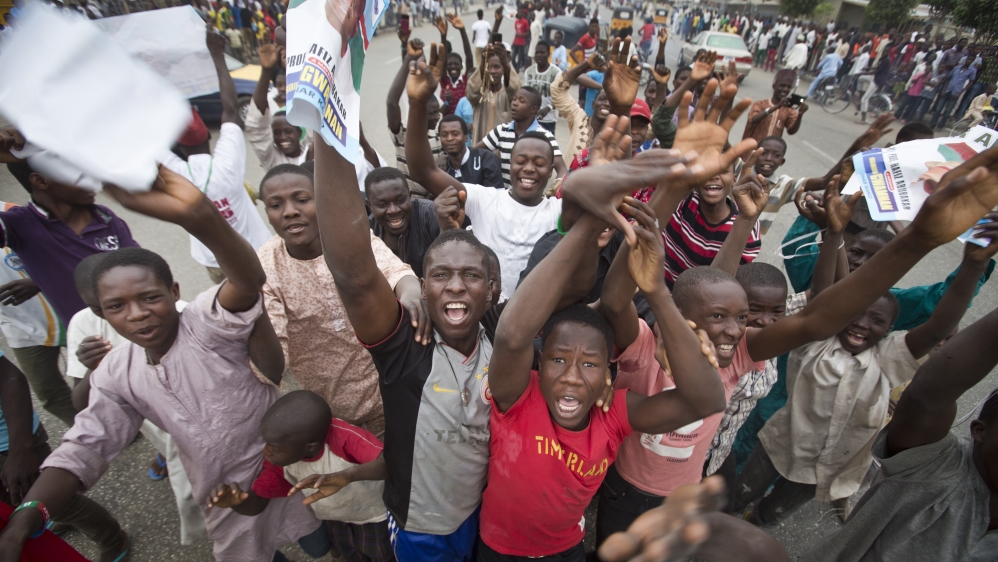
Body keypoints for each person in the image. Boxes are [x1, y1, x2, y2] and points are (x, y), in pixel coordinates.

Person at [0, 166, 324, 561]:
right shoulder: (118, 372)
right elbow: (86, 443)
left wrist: (201, 218)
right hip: (223, 489)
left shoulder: (205, 323)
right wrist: (29, 513)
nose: (136, 314)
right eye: (117, 307)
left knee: (320, 535)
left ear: (174, 291)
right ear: (102, 312)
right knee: (254, 552)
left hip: (286, 464)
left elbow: (245, 280)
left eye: (149, 298)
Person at [478, 196, 726, 560]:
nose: (573, 377)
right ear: (539, 361)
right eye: (559, 359)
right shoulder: (517, 398)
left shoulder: (613, 415)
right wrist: (589, 222)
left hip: (566, 550)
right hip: (499, 549)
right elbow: (512, 335)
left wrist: (657, 293)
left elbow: (706, 402)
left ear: (608, 369)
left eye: (590, 364)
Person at [734, 186, 995, 527]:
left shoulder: (887, 358)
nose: (860, 323)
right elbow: (827, 296)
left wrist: (974, 264)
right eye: (853, 313)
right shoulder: (817, 340)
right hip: (779, 446)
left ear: (890, 329)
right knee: (738, 494)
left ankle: (750, 532)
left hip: (826, 469)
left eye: (877, 320)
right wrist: (833, 235)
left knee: (771, 515)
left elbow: (936, 327)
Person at [313, 123, 498, 562]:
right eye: (440, 275)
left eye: (471, 275)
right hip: (421, 528)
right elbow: (356, 275)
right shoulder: (406, 345)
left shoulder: (499, 334)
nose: (455, 286)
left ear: (492, 290)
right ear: (421, 284)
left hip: (483, 514)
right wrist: (326, 126)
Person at [801, 299, 998, 560]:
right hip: (825, 444)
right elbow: (926, 395)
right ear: (980, 430)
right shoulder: (935, 466)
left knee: (852, 476)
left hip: (858, 451)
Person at [257, 163, 423, 443]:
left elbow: (398, 273)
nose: (289, 211)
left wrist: (411, 295)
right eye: (276, 205)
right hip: (336, 413)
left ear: (320, 201)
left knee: (409, 458)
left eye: (301, 199)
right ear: (267, 213)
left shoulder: (348, 238)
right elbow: (273, 364)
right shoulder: (264, 269)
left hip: (390, 389)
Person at [65, 253, 207, 546]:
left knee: (199, 480)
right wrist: (95, 370)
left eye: (144, 299)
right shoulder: (83, 324)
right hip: (151, 423)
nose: (133, 315)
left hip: (193, 421)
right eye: (106, 308)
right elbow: (80, 403)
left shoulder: (178, 313)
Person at [1, 139, 140, 428]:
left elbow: (143, 267)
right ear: (40, 180)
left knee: (149, 389)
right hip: (92, 337)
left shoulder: (106, 217)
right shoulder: (19, 224)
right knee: (108, 396)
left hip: (136, 326)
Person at [409, 48, 562, 295]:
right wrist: (417, 103)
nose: (529, 169)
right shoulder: (485, 199)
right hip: (480, 317)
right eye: (520, 160)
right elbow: (423, 171)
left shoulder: (558, 211)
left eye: (540, 163)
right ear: (509, 163)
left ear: (551, 170)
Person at [207, 391, 392, 562]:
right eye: (267, 443)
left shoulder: (343, 437)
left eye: (276, 448)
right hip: (338, 521)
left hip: (376, 519)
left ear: (310, 446)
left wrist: (349, 475)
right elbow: (257, 503)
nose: (266, 451)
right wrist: (237, 502)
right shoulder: (281, 462)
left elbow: (389, 463)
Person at [161, 31, 272, 285]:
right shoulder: (226, 162)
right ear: (208, 138)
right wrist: (217, 55)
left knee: (241, 316)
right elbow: (231, 108)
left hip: (215, 263)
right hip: (258, 252)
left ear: (177, 145)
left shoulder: (173, 172)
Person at [0, 352, 121, 561]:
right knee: (16, 509)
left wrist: (20, 449)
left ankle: (112, 538)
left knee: (52, 502)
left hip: (10, 445)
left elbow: (9, 377)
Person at [476, 86, 567, 187]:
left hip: (530, 198)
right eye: (514, 99)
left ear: (533, 109)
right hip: (503, 196)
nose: (515, 103)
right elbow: (474, 152)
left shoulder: (545, 136)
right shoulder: (502, 130)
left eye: (521, 101)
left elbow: (562, 169)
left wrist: (555, 188)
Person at [387, 38, 443, 197]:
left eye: (437, 112)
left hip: (435, 202)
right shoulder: (403, 133)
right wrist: (408, 60)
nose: (436, 117)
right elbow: (392, 104)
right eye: (431, 113)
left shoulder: (441, 134)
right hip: (410, 202)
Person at [246, 43, 312, 169]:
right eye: (276, 132)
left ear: (300, 132)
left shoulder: (311, 150)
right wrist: (266, 71)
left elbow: (315, 111)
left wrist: (290, 69)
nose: (282, 137)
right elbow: (256, 128)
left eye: (288, 131)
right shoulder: (271, 159)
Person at [467, 43, 522, 145]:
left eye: (497, 67)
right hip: (480, 153)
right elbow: (471, 90)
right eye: (489, 67)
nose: (492, 71)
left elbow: (516, 89)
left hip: (502, 155)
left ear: (504, 69)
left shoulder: (508, 95)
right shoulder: (480, 95)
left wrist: (506, 63)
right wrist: (483, 62)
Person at [436, 115, 504, 190]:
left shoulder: (486, 160)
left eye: (455, 134)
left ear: (466, 137)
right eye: (444, 135)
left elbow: (496, 197)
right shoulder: (442, 166)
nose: (449, 138)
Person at [742, 69, 805, 143]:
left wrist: (800, 115)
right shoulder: (760, 104)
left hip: (770, 153)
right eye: (782, 86)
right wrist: (776, 107)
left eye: (788, 87)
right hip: (752, 150)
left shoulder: (789, 110)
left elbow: (791, 131)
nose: (785, 89)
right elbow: (753, 120)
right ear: (774, 86)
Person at [439, 14, 475, 117]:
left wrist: (462, 30)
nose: (453, 66)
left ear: (461, 66)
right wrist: (443, 35)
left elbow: (469, 58)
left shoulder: (466, 80)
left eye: (456, 64)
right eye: (450, 64)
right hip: (447, 124)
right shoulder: (444, 80)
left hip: (464, 125)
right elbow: (443, 60)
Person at [522, 41, 561, 136]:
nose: (539, 55)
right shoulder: (529, 71)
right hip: (530, 119)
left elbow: (561, 97)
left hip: (548, 121)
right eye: (537, 52)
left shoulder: (556, 72)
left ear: (549, 54)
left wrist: (548, 108)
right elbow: (525, 94)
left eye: (542, 52)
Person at [930, 55, 977, 129]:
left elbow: (971, 82)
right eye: (968, 59)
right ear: (966, 59)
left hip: (956, 91)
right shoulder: (956, 68)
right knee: (938, 109)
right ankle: (932, 124)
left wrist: (961, 92)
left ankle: (940, 126)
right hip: (947, 89)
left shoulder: (972, 70)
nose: (969, 61)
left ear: (973, 61)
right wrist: (943, 90)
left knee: (947, 111)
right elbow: (948, 78)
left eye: (971, 60)